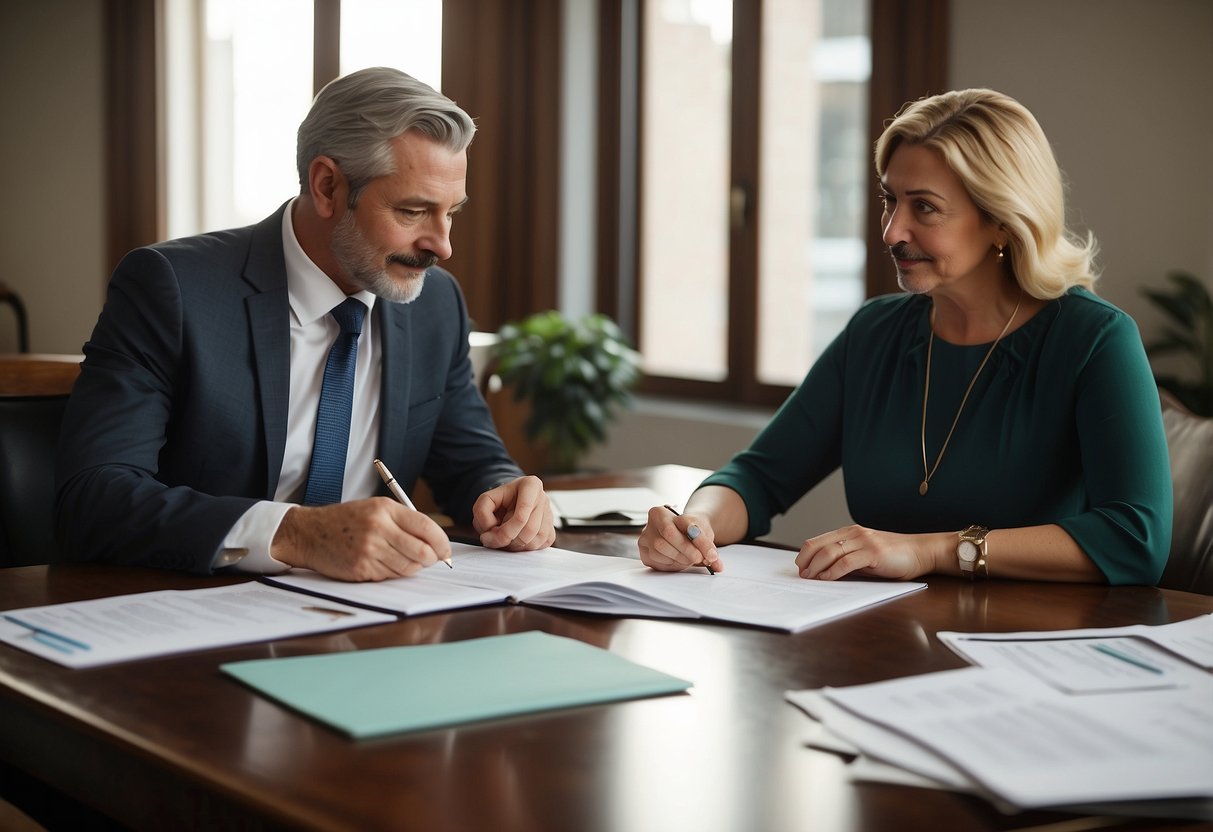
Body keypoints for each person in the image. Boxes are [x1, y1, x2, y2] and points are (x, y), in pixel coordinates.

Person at [638, 88, 1172, 586]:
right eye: (889, 199)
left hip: (1029, 654)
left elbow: (1135, 538)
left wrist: (931, 551)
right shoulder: (875, 333)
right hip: (881, 640)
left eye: (925, 207)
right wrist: (694, 524)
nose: (892, 230)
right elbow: (758, 478)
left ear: (1003, 221)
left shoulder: (1094, 339)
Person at [55, 67, 556, 581]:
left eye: (452, 212)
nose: (443, 245)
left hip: (372, 617)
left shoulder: (435, 303)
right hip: (194, 611)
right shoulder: (172, 289)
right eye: (412, 211)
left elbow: (471, 462)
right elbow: (93, 496)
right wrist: (296, 534)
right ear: (327, 186)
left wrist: (508, 494)